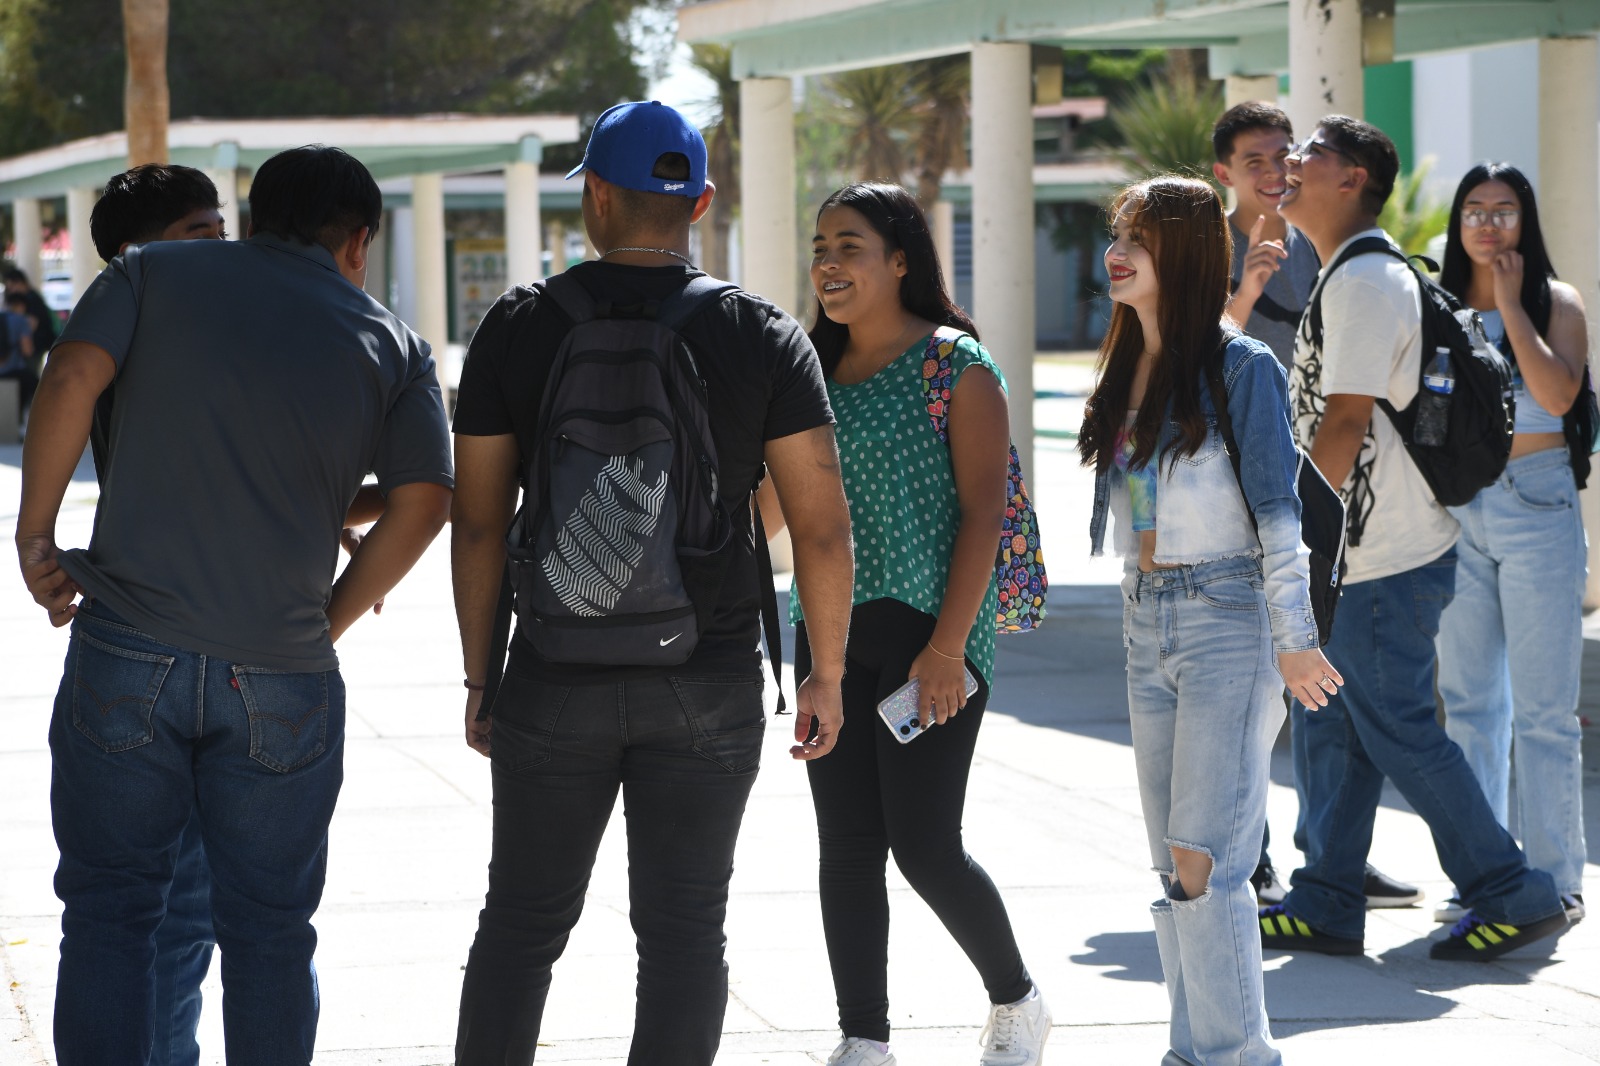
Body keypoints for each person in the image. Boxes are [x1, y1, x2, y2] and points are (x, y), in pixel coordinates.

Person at [15, 144, 453, 1065]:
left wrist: (36, 534)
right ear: (359, 242)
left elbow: (69, 375)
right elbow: (425, 501)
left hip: (127, 647)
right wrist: (328, 619)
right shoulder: (397, 344)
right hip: (284, 672)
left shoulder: (150, 274)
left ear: (253, 220)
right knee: (271, 932)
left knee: (108, 915)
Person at [449, 100, 853, 1066]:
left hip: (554, 668)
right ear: (700, 203)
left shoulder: (519, 324)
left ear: (594, 194)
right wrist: (825, 673)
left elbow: (478, 522)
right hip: (708, 672)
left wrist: (482, 675)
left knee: (521, 925)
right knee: (682, 934)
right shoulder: (760, 332)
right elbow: (821, 526)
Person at [1260, 116, 1567, 961]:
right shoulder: (1350, 272)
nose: (1289, 164)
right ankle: (1327, 898)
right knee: (1332, 727)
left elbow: (1345, 421)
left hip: (1376, 555)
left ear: (1352, 177)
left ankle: (1513, 891)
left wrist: (1297, 541)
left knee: (1397, 728)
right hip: (1360, 553)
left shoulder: (1366, 280)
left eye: (1308, 153)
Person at [769, 180, 1048, 1066]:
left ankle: (1017, 999)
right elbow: (771, 510)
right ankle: (864, 1038)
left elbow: (984, 515)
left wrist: (947, 649)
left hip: (933, 637)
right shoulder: (807, 373)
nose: (828, 263)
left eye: (849, 246)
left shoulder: (954, 364)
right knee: (847, 847)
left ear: (900, 261)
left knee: (926, 848)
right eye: (820, 247)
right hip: (828, 637)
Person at [1082, 175, 1337, 1066]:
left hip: (1228, 613)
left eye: (1139, 238)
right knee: (1173, 862)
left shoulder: (1242, 367)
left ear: (1185, 254)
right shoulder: (1128, 365)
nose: (1117, 252)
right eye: (1118, 233)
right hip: (1145, 614)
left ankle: (1235, 1057)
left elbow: (1278, 512)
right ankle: (1194, 1053)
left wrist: (1295, 639)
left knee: (1208, 860)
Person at [1210, 101, 1421, 911]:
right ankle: (1250, 861)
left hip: (1308, 499)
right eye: (1258, 161)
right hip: (1237, 490)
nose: (1280, 170)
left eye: (1286, 153)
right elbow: (1188, 357)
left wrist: (1312, 519)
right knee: (1246, 688)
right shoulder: (1206, 246)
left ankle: (1329, 866)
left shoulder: (1325, 245)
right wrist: (1246, 287)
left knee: (1316, 691)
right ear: (1225, 173)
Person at [1433, 162, 1589, 925]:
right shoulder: (1435, 305)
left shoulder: (1556, 301)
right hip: (1458, 510)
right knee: (1469, 705)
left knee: (1545, 710)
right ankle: (1484, 876)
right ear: (1457, 222)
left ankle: (1556, 879)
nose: (1488, 223)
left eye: (1504, 210)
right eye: (1474, 209)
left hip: (1537, 501)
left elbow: (1557, 395)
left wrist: (1508, 305)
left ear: (1525, 221)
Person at [1, 291, 38, 429]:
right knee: (37, 387)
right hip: (14, 371)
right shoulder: (21, 321)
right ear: (22, 306)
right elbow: (27, 350)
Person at [3, 266, 58, 357]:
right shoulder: (31, 297)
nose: (11, 291)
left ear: (20, 283)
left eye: (12, 287)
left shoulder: (32, 299)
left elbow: (32, 323)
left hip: (35, 346)